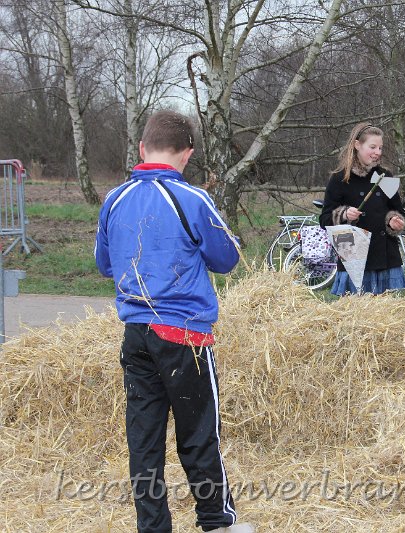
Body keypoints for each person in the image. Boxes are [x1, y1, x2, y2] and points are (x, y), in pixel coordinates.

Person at [95, 110, 252, 533]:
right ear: (187, 155)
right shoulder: (194, 199)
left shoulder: (114, 199)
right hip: (185, 335)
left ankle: (153, 527)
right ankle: (217, 521)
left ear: (143, 149)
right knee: (200, 433)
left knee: (143, 440)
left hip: (136, 335)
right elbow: (227, 259)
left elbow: (105, 265)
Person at [320, 122, 405, 295]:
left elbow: (398, 211)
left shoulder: (385, 176)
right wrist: (344, 214)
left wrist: (394, 221)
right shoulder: (340, 179)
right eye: (373, 147)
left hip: (386, 259)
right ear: (357, 145)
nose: (378, 152)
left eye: (380, 148)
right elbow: (324, 220)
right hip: (354, 259)